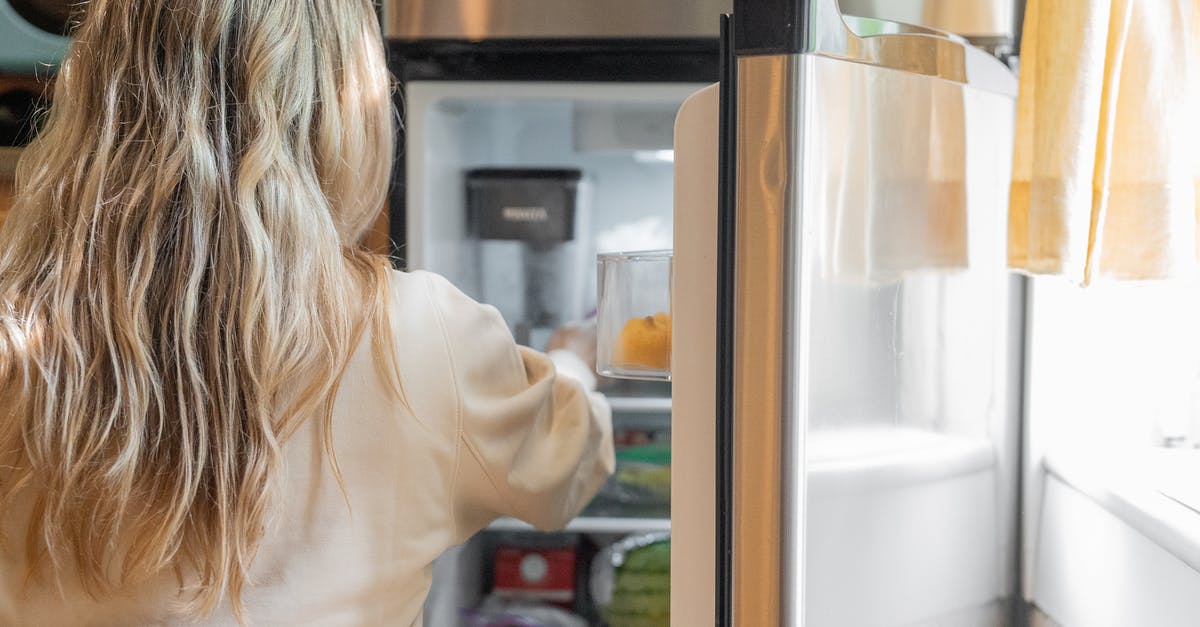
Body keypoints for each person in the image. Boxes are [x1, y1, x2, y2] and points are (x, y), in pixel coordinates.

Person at [0, 1, 613, 625]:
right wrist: (571, 364)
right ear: (344, 113)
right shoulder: (422, 337)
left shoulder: (15, 341)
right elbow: (563, 471)